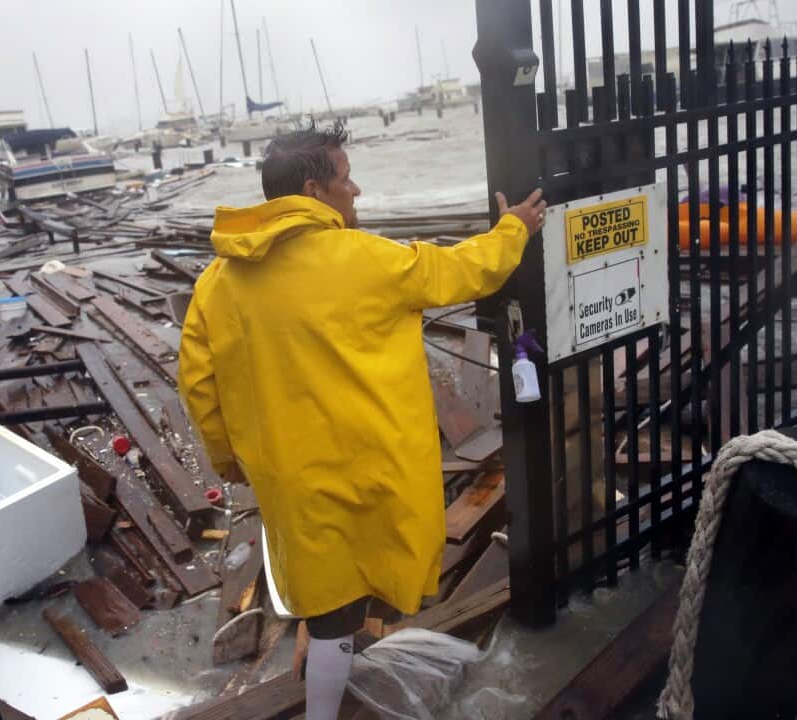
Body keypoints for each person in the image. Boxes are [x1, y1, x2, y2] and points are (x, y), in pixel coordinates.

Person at [177, 122, 545, 718]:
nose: (358, 191)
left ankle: (326, 684)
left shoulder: (217, 284)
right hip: (370, 467)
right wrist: (515, 229)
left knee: (328, 605)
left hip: (292, 478)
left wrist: (231, 461)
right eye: (346, 179)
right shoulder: (367, 259)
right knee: (360, 587)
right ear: (315, 190)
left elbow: (198, 387)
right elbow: (461, 271)